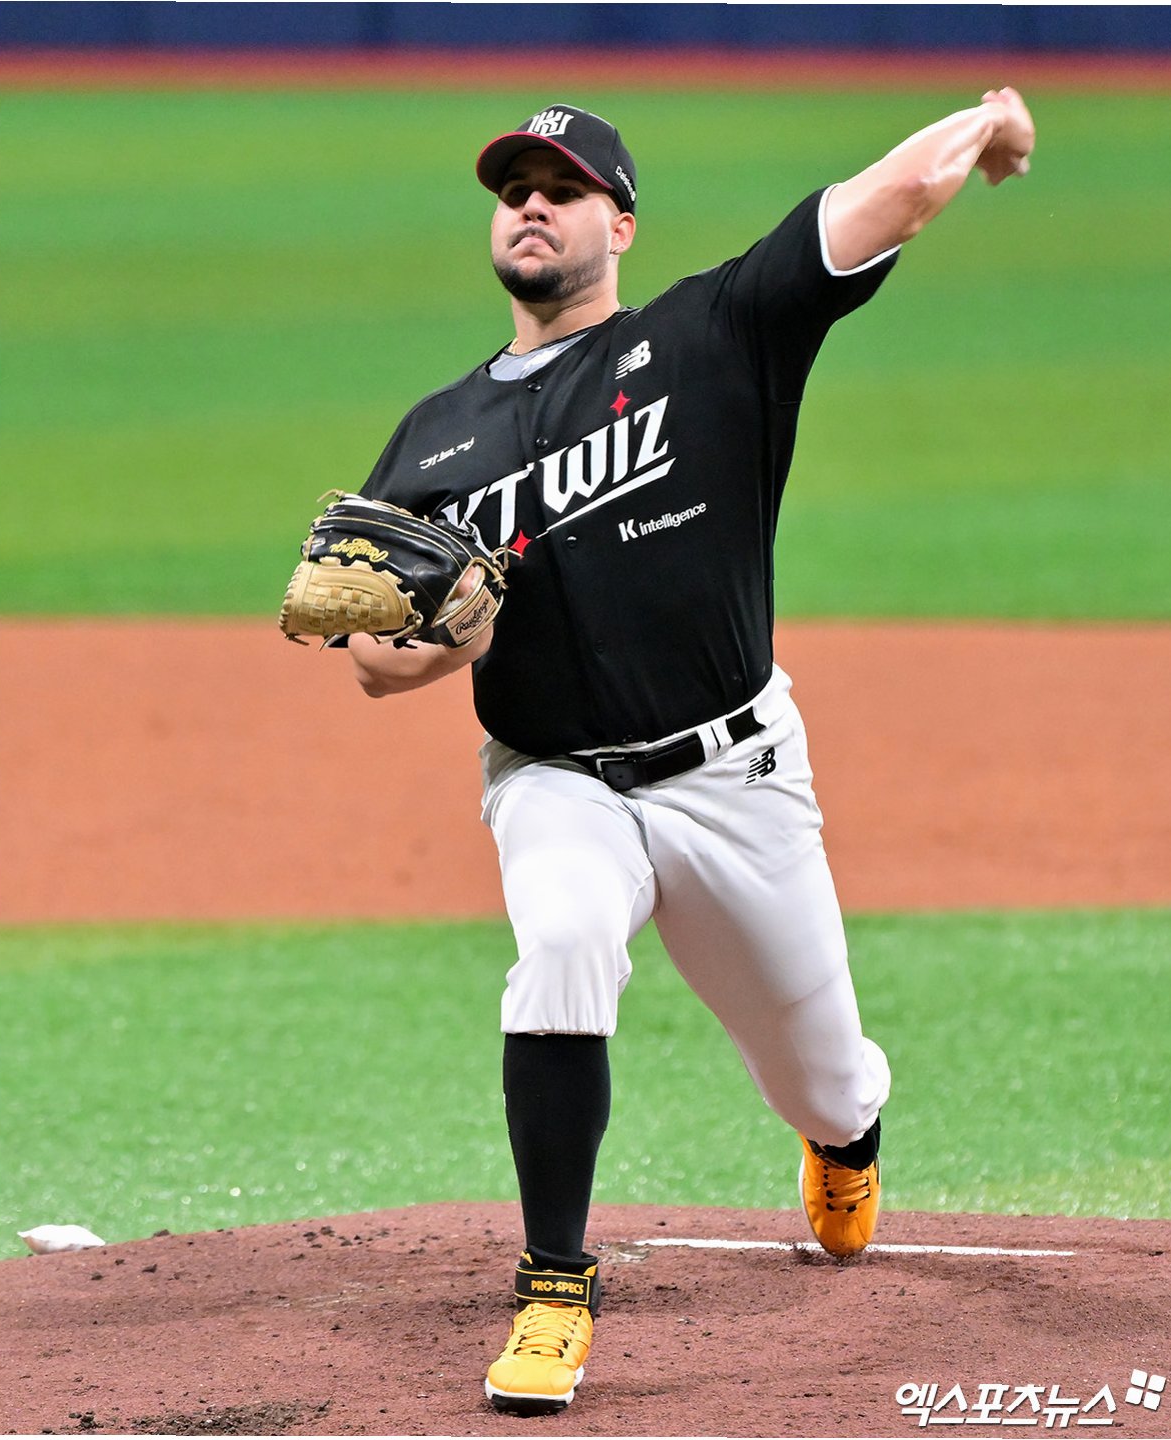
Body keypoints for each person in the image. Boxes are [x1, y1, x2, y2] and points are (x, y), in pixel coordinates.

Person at [345, 92, 1035, 1414]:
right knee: (559, 943)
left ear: (620, 223)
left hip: (737, 779)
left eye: (563, 187)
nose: (531, 205)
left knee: (822, 1074)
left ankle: (844, 1137)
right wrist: (446, 635)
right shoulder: (435, 439)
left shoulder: (714, 334)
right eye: (513, 189)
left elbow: (878, 203)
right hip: (554, 780)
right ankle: (555, 1284)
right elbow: (374, 657)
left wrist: (987, 120)